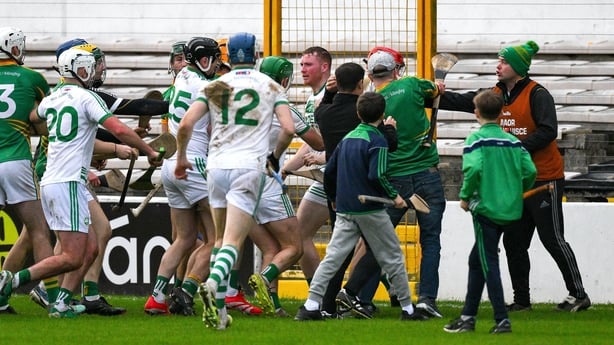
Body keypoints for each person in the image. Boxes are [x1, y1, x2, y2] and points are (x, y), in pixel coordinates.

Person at [0, 48, 161, 318]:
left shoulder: (52, 99)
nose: (92, 72)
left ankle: (61, 302)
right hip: (68, 183)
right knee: (73, 255)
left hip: (54, 180)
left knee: (92, 246)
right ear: (75, 69)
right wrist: (150, 152)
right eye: (87, 67)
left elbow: (33, 117)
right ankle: (12, 281)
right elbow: (119, 128)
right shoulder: (88, 97)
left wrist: (91, 149)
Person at [439, 40, 591, 312]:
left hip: (545, 179)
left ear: (519, 68)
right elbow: (465, 101)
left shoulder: (537, 94)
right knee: (514, 242)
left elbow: (548, 131)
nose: (498, 66)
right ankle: (522, 300)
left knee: (552, 238)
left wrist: (514, 147)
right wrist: (435, 95)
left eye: (504, 62)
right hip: (518, 182)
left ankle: (578, 294)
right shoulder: (496, 93)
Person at [174, 32, 295, 330]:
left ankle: (220, 312)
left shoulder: (215, 85)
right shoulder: (270, 85)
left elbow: (186, 124)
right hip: (248, 167)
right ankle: (215, 283)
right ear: (254, 56)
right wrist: (275, 156)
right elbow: (289, 129)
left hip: (216, 166)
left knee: (218, 239)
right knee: (232, 241)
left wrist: (180, 158)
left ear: (229, 57)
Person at [294, 92, 423, 321]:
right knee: (392, 256)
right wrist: (395, 197)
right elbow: (377, 175)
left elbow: (330, 173)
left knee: (333, 258)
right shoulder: (378, 141)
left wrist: (334, 198)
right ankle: (408, 309)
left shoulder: (348, 138)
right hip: (370, 211)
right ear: (382, 115)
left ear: (357, 113)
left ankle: (311, 306)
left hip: (344, 208)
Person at [346, 48, 446, 319]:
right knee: (430, 240)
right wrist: (438, 87)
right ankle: (427, 300)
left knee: (378, 241)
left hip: (393, 178)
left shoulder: (370, 100)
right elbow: (435, 88)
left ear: (370, 73)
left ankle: (363, 300)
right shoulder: (412, 84)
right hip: (427, 172)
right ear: (396, 70)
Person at [443, 90, 536, 334]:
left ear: (476, 112)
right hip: (511, 208)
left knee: (488, 263)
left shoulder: (476, 140)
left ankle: (501, 319)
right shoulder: (514, 141)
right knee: (478, 260)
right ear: (501, 112)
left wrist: (465, 196)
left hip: (486, 208)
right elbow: (530, 172)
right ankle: (467, 316)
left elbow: (473, 169)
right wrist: (515, 191)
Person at [313, 61, 398, 318]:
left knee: (340, 249)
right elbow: (388, 145)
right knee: (378, 245)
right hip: (366, 188)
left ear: (337, 83)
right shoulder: (363, 116)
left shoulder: (324, 115)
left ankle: (326, 305)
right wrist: (391, 128)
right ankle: (351, 293)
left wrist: (329, 92)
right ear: (361, 84)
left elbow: (321, 108)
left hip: (337, 189)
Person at [143, 36, 221, 316]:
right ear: (205, 59)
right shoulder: (206, 86)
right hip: (193, 163)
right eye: (214, 58)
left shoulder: (180, 78)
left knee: (184, 238)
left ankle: (157, 297)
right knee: (217, 240)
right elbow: (211, 130)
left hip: (170, 165)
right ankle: (186, 291)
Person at [247, 55, 324, 316]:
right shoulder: (282, 107)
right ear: (284, 79)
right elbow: (318, 142)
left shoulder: (240, 102)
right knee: (294, 246)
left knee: (271, 247)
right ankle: (265, 278)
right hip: (265, 179)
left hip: (236, 179)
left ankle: (272, 305)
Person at [0, 26, 62, 315]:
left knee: (31, 231)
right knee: (38, 229)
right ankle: (52, 296)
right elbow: (43, 119)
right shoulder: (32, 78)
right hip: (15, 160)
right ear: (13, 48)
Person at [281, 46, 337, 315]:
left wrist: (287, 168)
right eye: (301, 64)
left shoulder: (332, 95)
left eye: (308, 65)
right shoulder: (312, 99)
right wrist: (286, 169)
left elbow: (334, 139)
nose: (302, 69)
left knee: (367, 241)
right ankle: (320, 296)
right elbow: (310, 142)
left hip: (340, 177)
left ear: (324, 67)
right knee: (299, 234)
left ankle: (363, 296)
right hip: (323, 179)